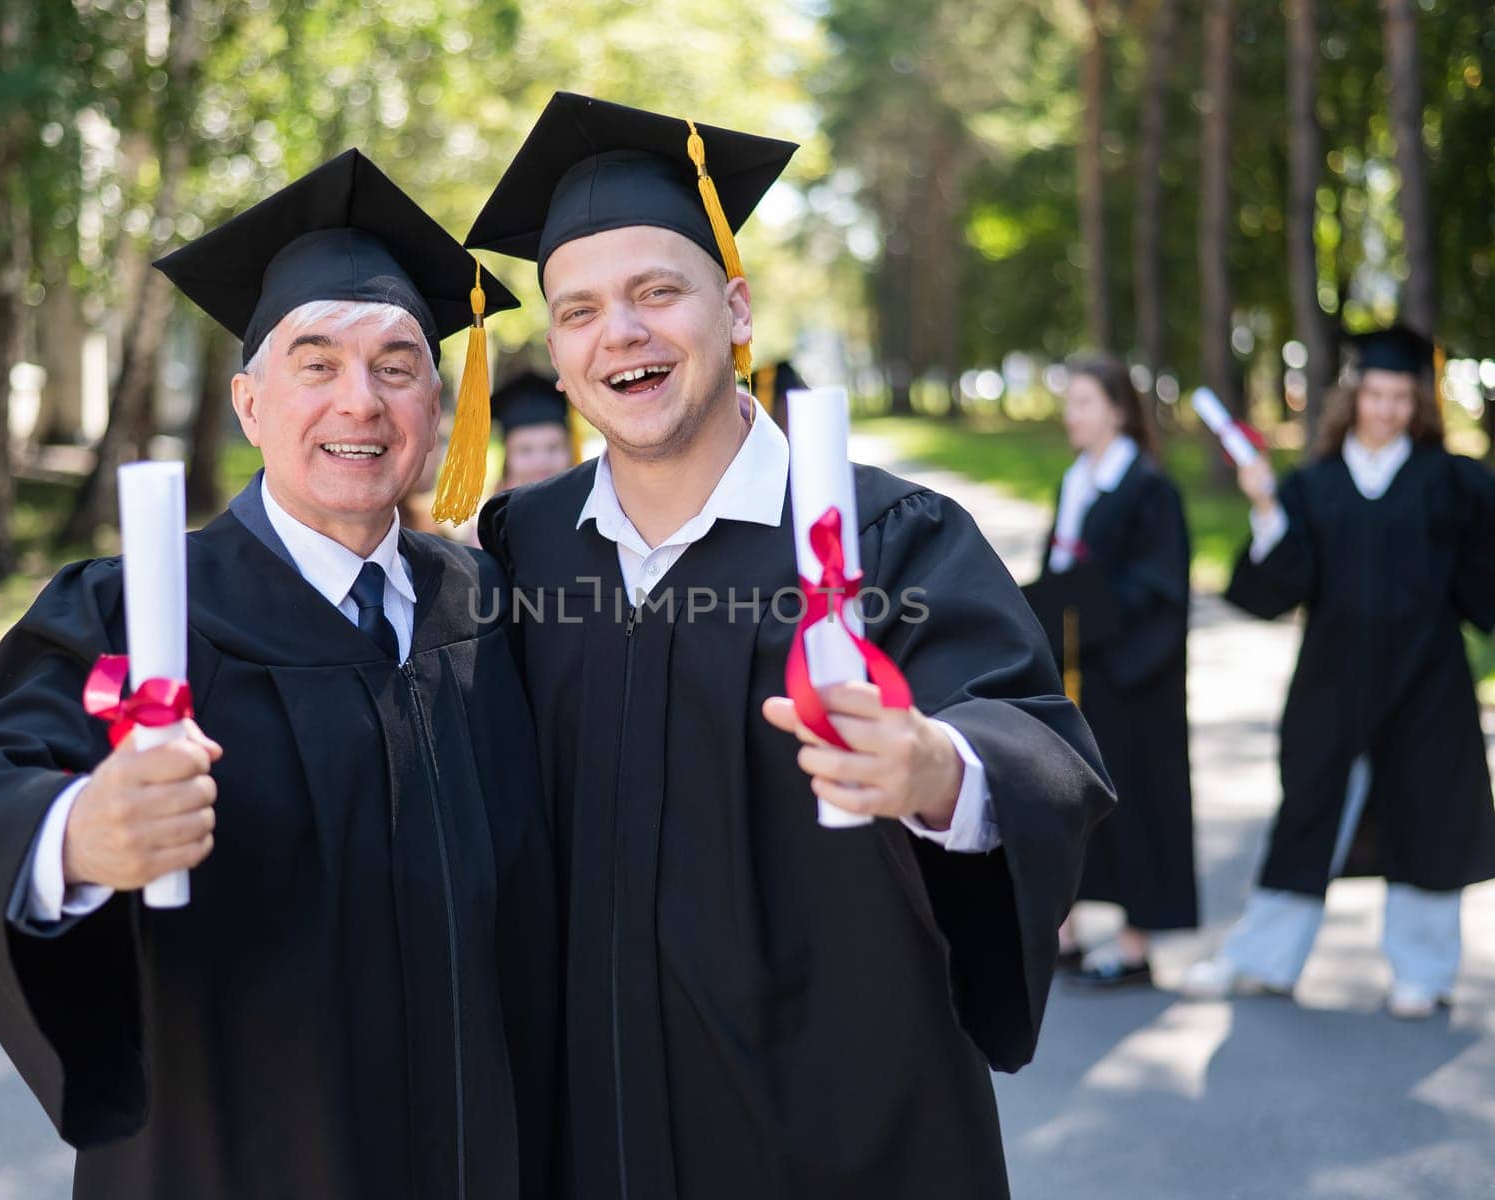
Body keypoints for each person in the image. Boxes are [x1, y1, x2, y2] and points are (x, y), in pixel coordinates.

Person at [461, 91, 1114, 1198]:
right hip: (591, 1126)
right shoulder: (520, 549)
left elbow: (1037, 742)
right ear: (560, 355)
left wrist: (930, 769)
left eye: (656, 292)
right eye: (577, 311)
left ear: (736, 308)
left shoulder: (890, 538)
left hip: (840, 1124)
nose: (619, 331)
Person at [0, 150, 558, 1197]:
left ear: (436, 406)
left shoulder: (490, 609)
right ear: (249, 405)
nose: (362, 401)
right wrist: (76, 832)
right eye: (316, 364)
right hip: (234, 1161)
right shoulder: (135, 612)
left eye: (396, 367)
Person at [1182, 326, 1495, 1019]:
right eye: (1374, 394)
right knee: (1307, 813)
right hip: (1333, 680)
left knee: (1427, 816)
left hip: (1428, 682)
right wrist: (1265, 506)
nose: (1385, 409)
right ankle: (1264, 958)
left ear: (1418, 404)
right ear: (1352, 399)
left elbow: (1483, 581)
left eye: (1400, 397)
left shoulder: (1451, 483)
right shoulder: (1313, 485)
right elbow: (1276, 588)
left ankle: (1423, 973)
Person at [1023, 355, 1197, 987]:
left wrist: (1083, 607)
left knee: (1136, 801)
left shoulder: (1150, 489)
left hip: (1132, 679)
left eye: (1084, 403)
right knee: (1071, 797)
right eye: (1070, 403)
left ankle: (1133, 945)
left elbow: (1158, 590)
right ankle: (1066, 932)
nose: (1072, 414)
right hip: (1080, 675)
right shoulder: (1077, 481)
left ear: (1119, 410)